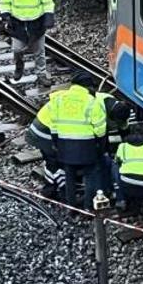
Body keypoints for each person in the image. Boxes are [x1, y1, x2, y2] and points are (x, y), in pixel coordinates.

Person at [48, 71, 108, 209]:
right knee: (91, 174)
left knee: (69, 175)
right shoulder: (91, 102)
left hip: (64, 144)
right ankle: (88, 206)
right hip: (86, 145)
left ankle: (71, 206)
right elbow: (100, 129)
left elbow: (54, 125)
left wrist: (56, 142)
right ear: (87, 86)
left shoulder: (59, 99)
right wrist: (101, 145)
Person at [0, 0, 55, 85]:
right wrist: (6, 16)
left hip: (36, 22)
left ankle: (41, 75)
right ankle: (19, 66)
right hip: (18, 22)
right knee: (17, 49)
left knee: (39, 51)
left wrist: (49, 16)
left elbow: (47, 1)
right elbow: (4, 2)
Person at [112, 127, 143, 210]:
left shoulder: (122, 146)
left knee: (114, 166)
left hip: (128, 184)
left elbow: (117, 161)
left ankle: (121, 200)